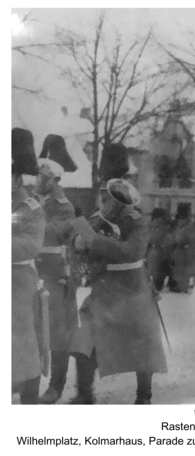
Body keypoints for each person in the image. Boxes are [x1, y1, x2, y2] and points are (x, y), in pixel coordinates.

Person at [69, 178, 168, 404]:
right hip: (103, 288)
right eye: (110, 198)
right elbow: (76, 238)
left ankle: (144, 396)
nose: (112, 204)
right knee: (85, 338)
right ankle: (84, 394)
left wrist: (96, 242)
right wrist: (78, 243)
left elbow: (133, 251)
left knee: (143, 342)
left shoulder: (138, 221)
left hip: (132, 289)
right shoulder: (96, 217)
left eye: (118, 201)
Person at [34, 134, 80, 405]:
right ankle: (24, 377)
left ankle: (56, 386)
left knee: (58, 334)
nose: (35, 180)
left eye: (40, 176)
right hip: (35, 272)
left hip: (56, 274)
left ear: (51, 180)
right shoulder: (37, 202)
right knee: (30, 328)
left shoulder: (63, 206)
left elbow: (49, 233)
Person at [12, 128, 47, 404]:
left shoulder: (31, 208)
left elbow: (29, 245)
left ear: (15, 176)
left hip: (18, 283)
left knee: (23, 344)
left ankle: (28, 404)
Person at [169, 205, 195, 293]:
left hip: (184, 253)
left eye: (181, 219)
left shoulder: (190, 228)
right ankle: (178, 285)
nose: (179, 221)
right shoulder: (179, 229)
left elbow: (184, 240)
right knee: (177, 270)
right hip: (177, 252)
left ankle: (183, 287)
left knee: (183, 271)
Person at [147, 208, 171, 292]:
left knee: (157, 271)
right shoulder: (157, 226)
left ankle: (157, 285)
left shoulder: (162, 227)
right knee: (155, 271)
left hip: (159, 250)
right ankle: (156, 286)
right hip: (156, 250)